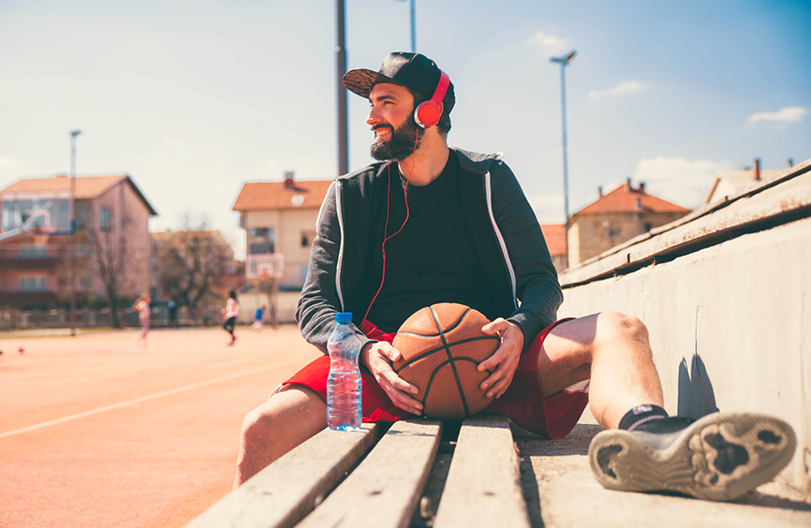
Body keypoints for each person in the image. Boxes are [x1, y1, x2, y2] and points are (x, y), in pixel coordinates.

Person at [233, 52, 795, 500]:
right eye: (371, 104)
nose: (371, 116)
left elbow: (540, 281)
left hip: (489, 360)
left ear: (428, 111)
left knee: (619, 328)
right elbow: (314, 305)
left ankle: (652, 444)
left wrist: (521, 328)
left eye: (386, 102)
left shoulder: (489, 179)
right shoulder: (349, 196)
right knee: (261, 429)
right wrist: (361, 351)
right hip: (387, 364)